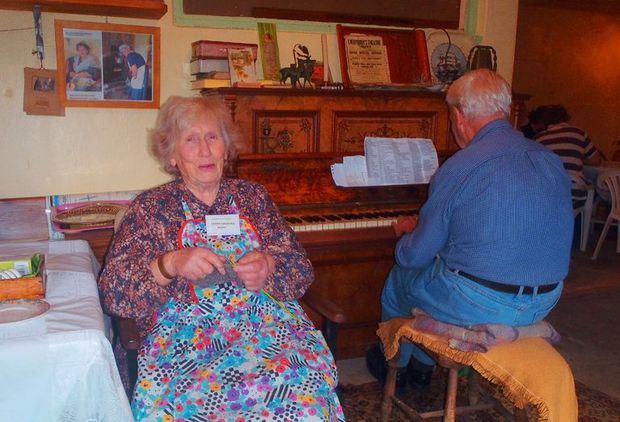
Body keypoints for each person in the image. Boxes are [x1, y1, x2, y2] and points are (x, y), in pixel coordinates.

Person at [99, 96, 344, 421]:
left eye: (212, 137)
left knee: (301, 385)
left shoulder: (253, 198)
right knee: (194, 401)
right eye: (191, 140)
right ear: (172, 155)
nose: (205, 150)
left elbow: (299, 268)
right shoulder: (150, 208)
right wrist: (169, 264)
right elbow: (114, 293)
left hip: (266, 328)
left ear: (225, 148)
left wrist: (269, 266)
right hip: (186, 337)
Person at [367, 69, 574, 392]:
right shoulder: (549, 159)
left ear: (458, 116)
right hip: (546, 299)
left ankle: (399, 367)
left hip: (481, 303)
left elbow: (413, 255)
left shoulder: (462, 166)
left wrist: (408, 235)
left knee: (400, 278)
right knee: (441, 270)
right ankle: (424, 367)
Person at [535, 105, 602, 209]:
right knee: (594, 189)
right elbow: (596, 161)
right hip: (573, 192)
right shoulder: (579, 133)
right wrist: (578, 158)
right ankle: (584, 222)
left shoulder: (538, 138)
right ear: (565, 118)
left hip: (546, 193)